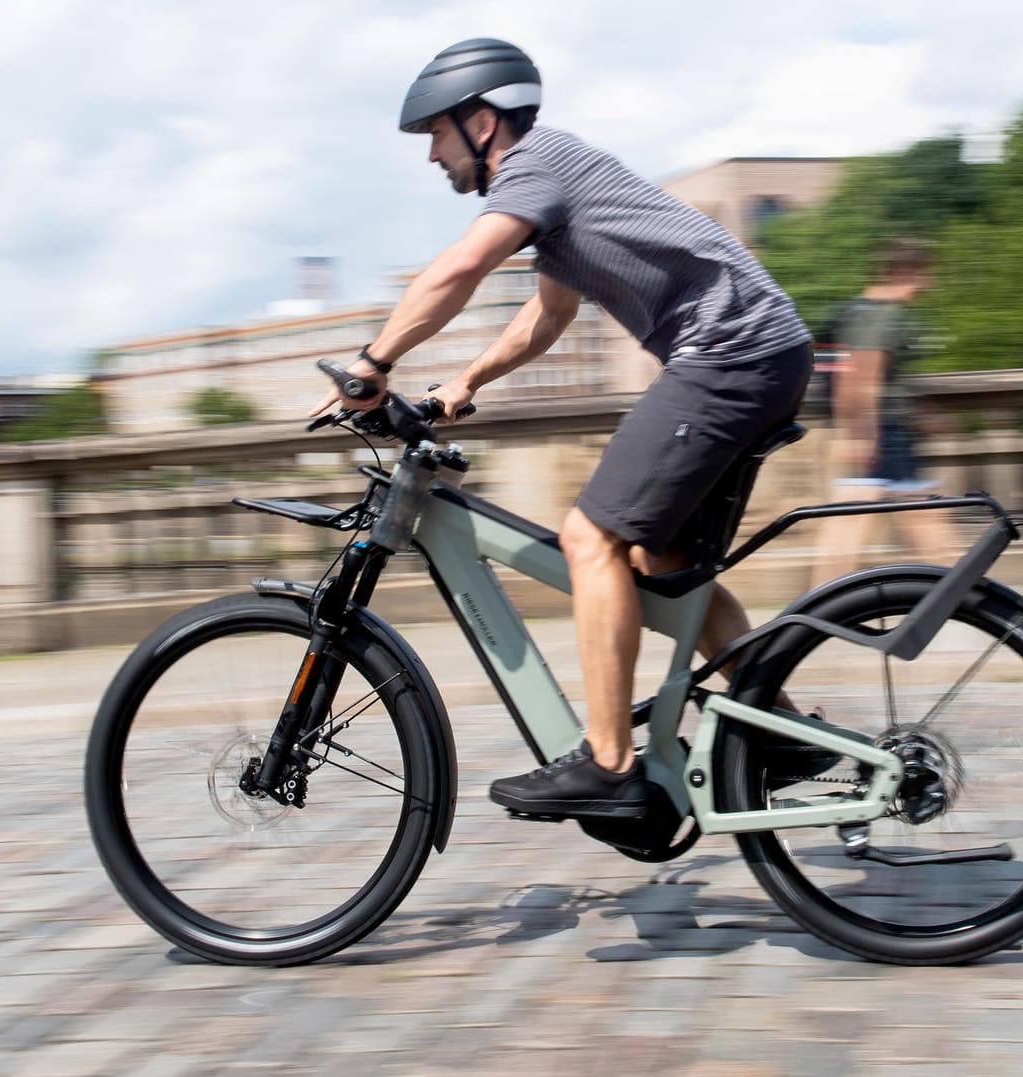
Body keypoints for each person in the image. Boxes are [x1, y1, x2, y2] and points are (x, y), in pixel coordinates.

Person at [306, 38, 812, 819]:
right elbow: (549, 315)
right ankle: (777, 725)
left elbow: (459, 270)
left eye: (437, 134)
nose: (433, 156)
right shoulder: (559, 182)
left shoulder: (536, 166)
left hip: (731, 355)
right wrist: (463, 383)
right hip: (761, 351)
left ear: (481, 122)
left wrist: (374, 360)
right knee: (662, 559)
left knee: (590, 537)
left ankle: (610, 768)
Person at [808, 237, 956, 589]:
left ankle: (818, 600)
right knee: (916, 517)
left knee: (856, 520)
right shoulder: (880, 316)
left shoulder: (862, 311)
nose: (929, 285)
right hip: (880, 433)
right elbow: (860, 377)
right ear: (908, 272)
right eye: (926, 275)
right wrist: (858, 436)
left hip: (878, 430)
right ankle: (966, 593)